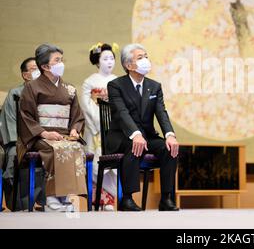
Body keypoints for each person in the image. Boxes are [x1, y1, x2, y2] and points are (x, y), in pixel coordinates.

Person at [107, 43, 179, 211]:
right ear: (128, 65)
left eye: (146, 56)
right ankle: (127, 199)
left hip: (148, 136)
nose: (146, 60)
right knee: (135, 145)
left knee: (169, 148)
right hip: (123, 136)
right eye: (140, 58)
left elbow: (161, 112)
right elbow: (121, 113)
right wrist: (135, 134)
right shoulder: (116, 85)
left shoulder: (154, 86)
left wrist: (170, 134)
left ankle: (167, 198)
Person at [17, 44, 86, 212]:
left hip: (63, 135)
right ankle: (52, 199)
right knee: (58, 149)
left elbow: (77, 115)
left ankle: (67, 197)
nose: (61, 63)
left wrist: (75, 129)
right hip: (40, 136)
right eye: (57, 60)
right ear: (45, 66)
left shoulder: (69, 89)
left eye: (61, 60)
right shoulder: (31, 87)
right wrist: (44, 133)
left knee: (76, 147)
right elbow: (25, 115)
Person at [0, 57, 46, 210]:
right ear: (25, 75)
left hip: (42, 139)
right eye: (34, 69)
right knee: (14, 156)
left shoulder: (46, 92)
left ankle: (48, 201)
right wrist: (17, 141)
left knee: (56, 155)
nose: (39, 72)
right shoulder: (15, 93)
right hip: (19, 140)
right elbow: (9, 121)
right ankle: (17, 202)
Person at [80, 43, 119, 211]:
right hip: (94, 127)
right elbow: (86, 105)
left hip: (113, 126)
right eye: (105, 58)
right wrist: (98, 124)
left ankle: (109, 201)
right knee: (95, 161)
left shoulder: (118, 81)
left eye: (112, 58)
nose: (109, 62)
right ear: (97, 61)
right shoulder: (89, 82)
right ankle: (98, 200)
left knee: (112, 165)